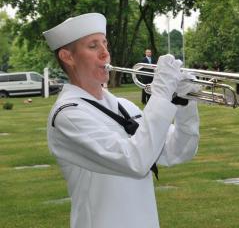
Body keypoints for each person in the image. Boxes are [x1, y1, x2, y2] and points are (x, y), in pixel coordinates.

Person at [43, 13, 200, 228]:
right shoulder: (68, 115)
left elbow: (177, 151)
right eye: (93, 46)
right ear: (67, 57)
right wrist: (162, 95)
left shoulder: (124, 106)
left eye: (105, 44)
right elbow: (135, 160)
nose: (105, 53)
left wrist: (184, 103)